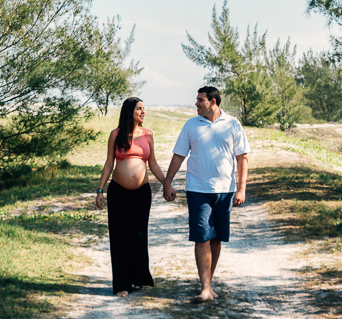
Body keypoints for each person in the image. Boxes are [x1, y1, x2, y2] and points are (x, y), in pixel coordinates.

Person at [162, 85, 250, 304]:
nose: (196, 103)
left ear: (213, 102)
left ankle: (209, 283)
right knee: (202, 236)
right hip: (197, 189)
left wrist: (241, 189)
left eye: (200, 100)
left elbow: (242, 158)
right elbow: (178, 155)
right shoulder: (191, 125)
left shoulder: (232, 124)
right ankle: (205, 288)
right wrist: (167, 182)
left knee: (217, 238)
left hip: (224, 190)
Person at [95, 96, 166, 297]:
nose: (143, 112)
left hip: (142, 193)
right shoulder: (116, 134)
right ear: (129, 111)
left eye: (144, 108)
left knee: (139, 235)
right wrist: (100, 190)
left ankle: (138, 277)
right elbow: (109, 163)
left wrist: (166, 183)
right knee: (119, 237)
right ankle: (122, 284)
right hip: (118, 192)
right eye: (139, 109)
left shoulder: (148, 134)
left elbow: (153, 164)